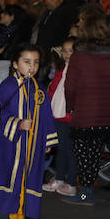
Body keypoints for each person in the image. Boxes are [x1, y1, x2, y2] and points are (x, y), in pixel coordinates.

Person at [0, 45, 57, 219]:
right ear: (16, 64)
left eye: (35, 63)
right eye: (27, 62)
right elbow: (0, 113)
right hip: (9, 144)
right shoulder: (9, 86)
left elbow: (47, 116)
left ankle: (17, 212)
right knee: (7, 176)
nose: (31, 67)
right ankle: (1, 216)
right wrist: (17, 123)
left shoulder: (39, 89)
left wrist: (47, 141)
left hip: (32, 145)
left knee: (25, 177)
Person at [61, 12, 110, 205]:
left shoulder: (79, 57)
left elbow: (70, 87)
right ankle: (86, 192)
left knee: (83, 157)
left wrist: (71, 107)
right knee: (95, 154)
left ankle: (84, 195)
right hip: (105, 114)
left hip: (83, 113)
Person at [43, 38, 77, 197]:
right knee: (61, 149)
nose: (66, 54)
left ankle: (71, 182)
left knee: (69, 150)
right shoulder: (61, 71)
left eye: (71, 50)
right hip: (57, 115)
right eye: (64, 50)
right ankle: (60, 177)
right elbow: (52, 91)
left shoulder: (79, 73)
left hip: (69, 117)